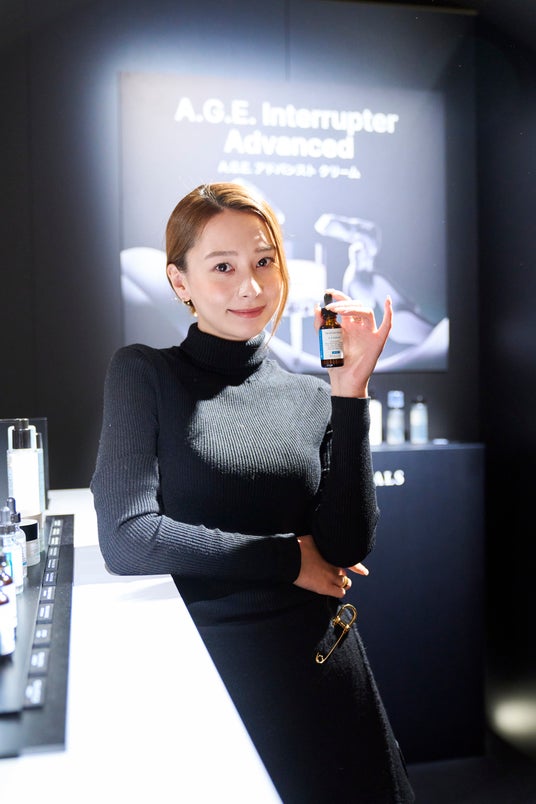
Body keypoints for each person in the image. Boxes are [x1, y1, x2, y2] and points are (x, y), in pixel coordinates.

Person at [91, 182, 415, 803]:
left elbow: (346, 545)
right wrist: (288, 558)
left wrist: (350, 394)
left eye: (265, 261)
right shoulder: (144, 373)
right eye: (223, 267)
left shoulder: (312, 395)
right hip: (211, 678)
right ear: (180, 281)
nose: (251, 286)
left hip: (323, 672)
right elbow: (128, 539)